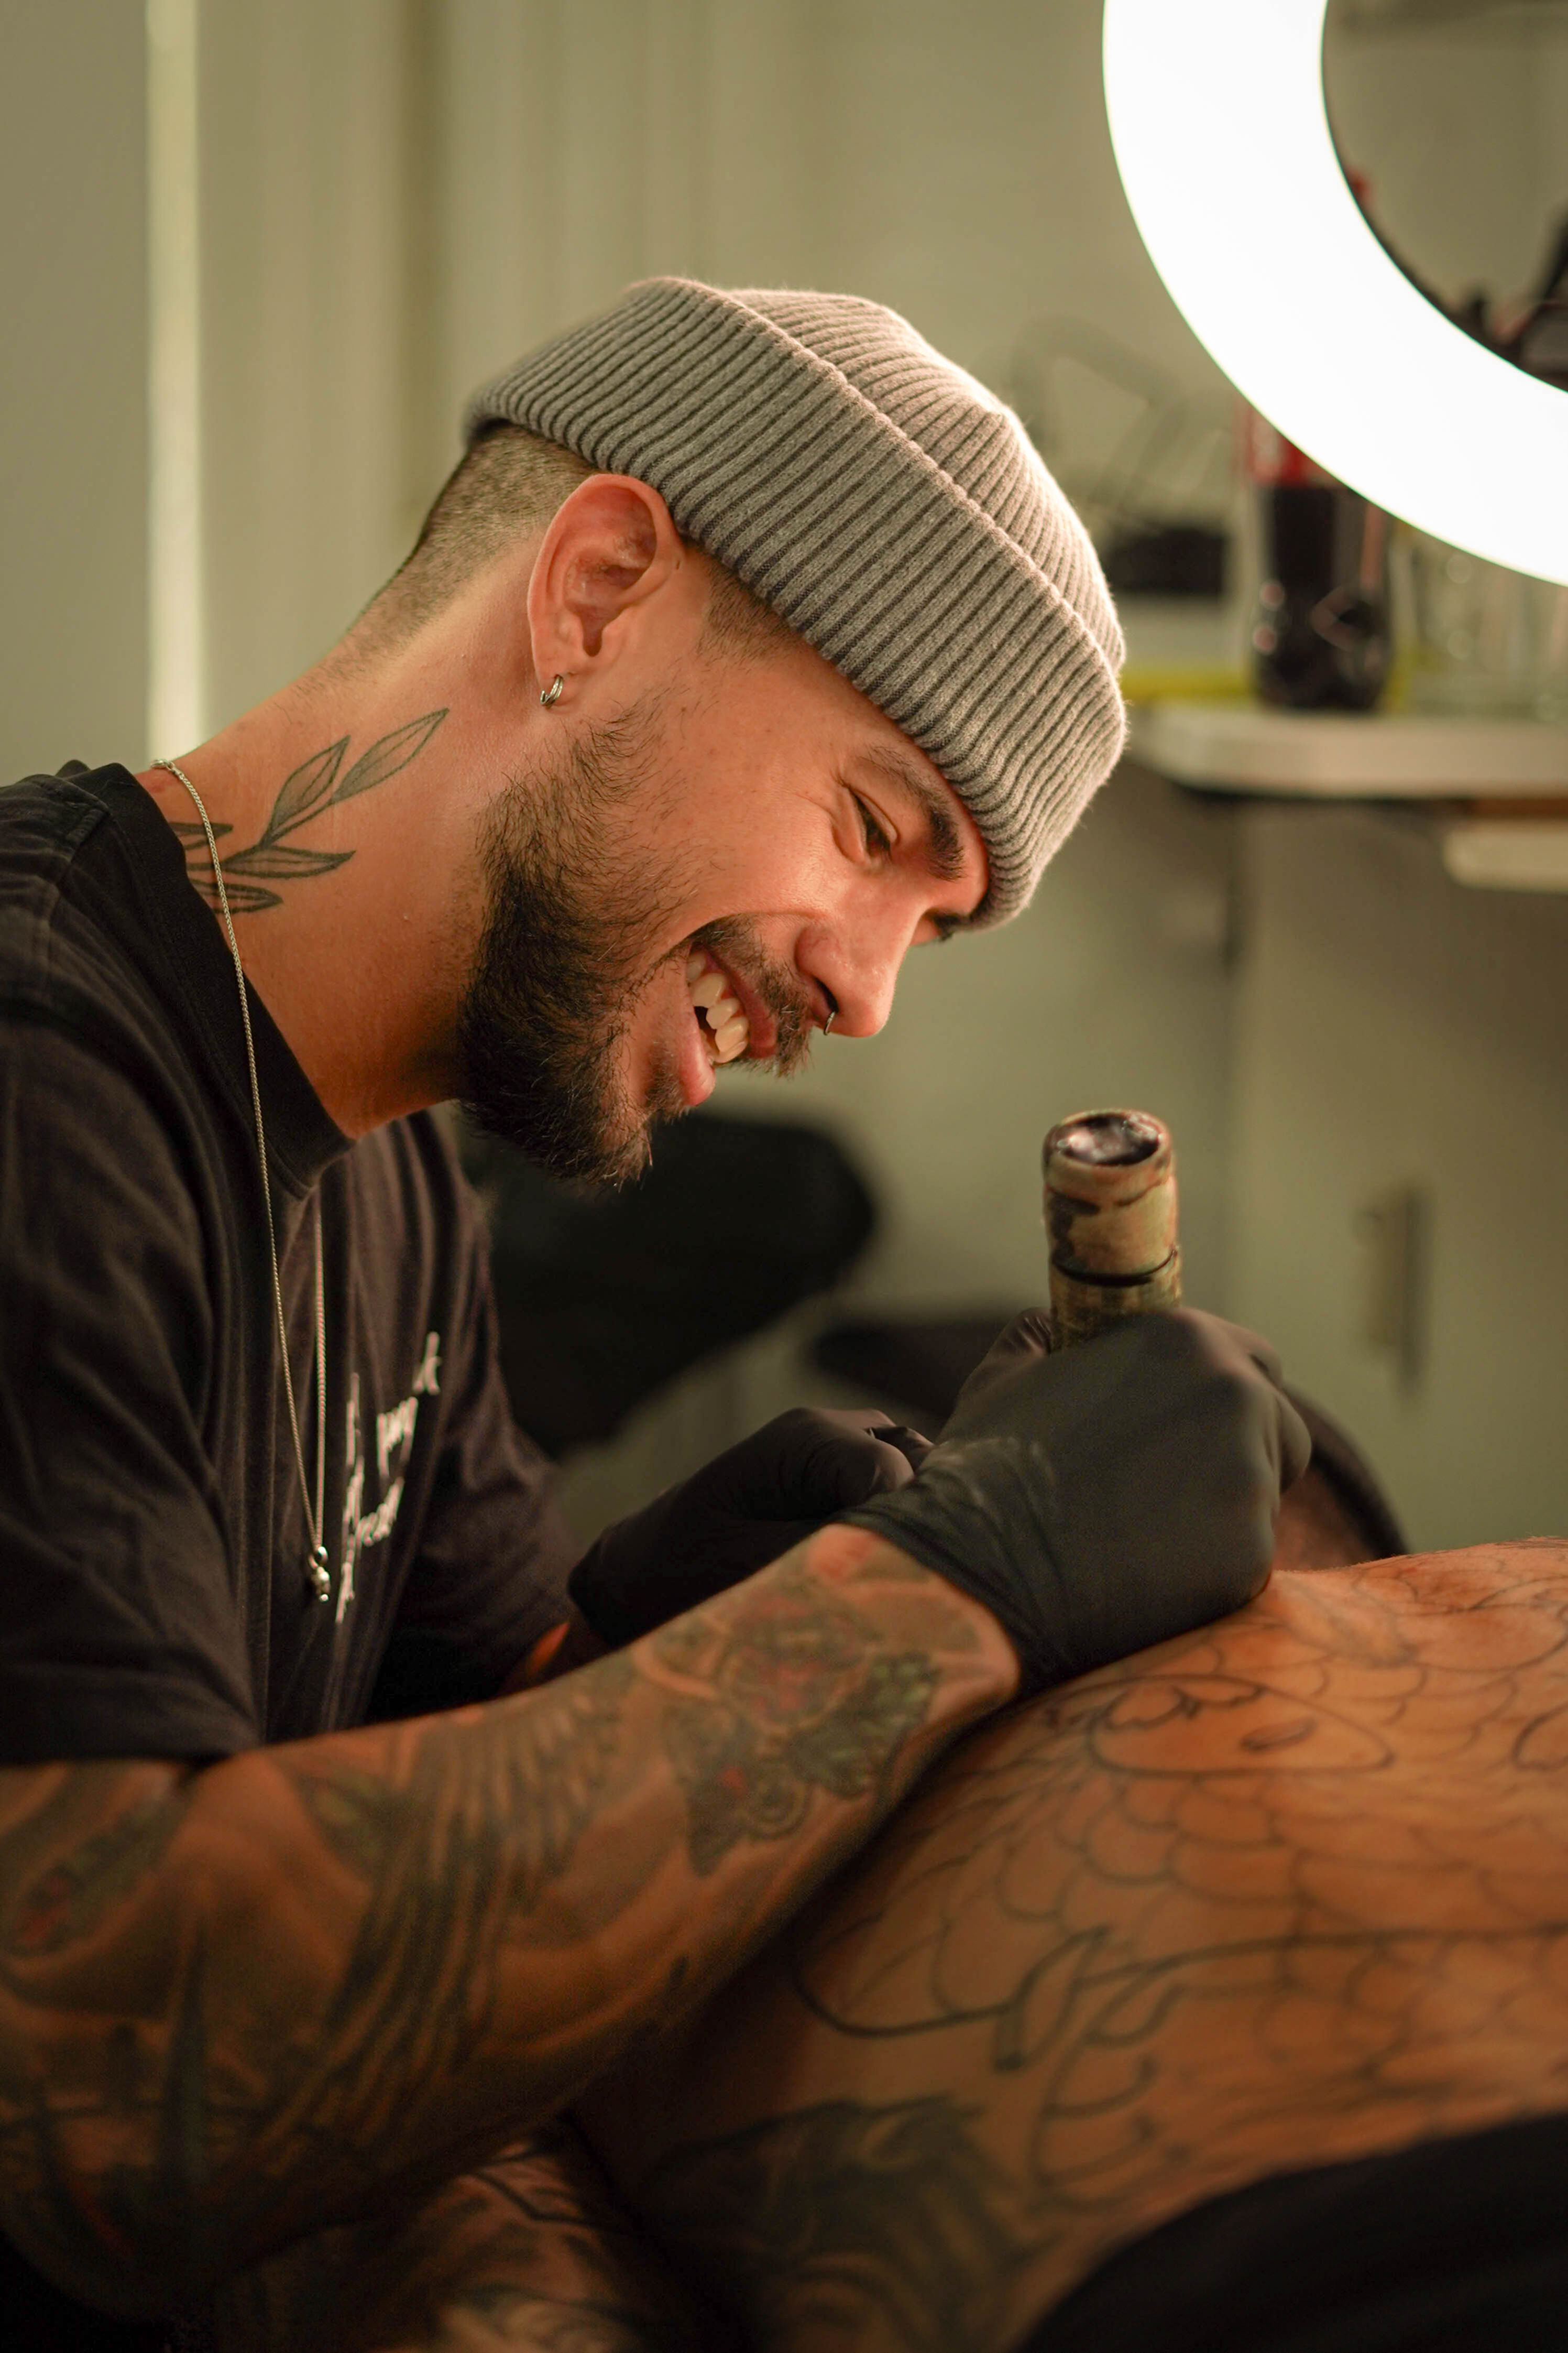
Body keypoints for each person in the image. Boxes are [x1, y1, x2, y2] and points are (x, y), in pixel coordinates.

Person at [0, 279, 1307, 2349]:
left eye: (931, 926)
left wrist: (669, 1621)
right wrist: (939, 1589)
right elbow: (102, 2057)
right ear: (597, 594)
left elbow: (449, 1739)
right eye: (872, 831)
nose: (863, 989)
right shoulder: (41, 1078)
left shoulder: (390, 1167)